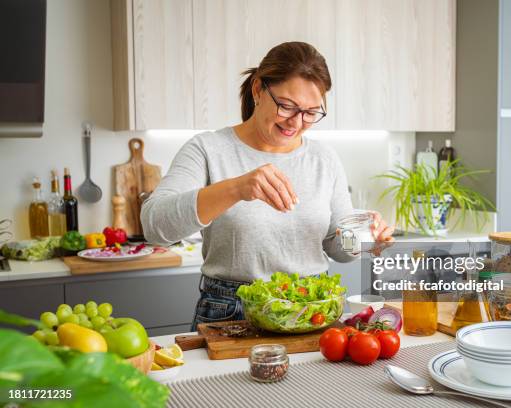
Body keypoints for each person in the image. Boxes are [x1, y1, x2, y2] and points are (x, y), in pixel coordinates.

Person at [141, 42, 394, 330]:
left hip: (314, 310)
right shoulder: (208, 149)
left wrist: (366, 239)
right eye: (287, 106)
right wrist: (236, 188)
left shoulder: (323, 158)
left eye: (311, 112)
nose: (296, 123)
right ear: (258, 89)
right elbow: (154, 225)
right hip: (233, 312)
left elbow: (337, 247)